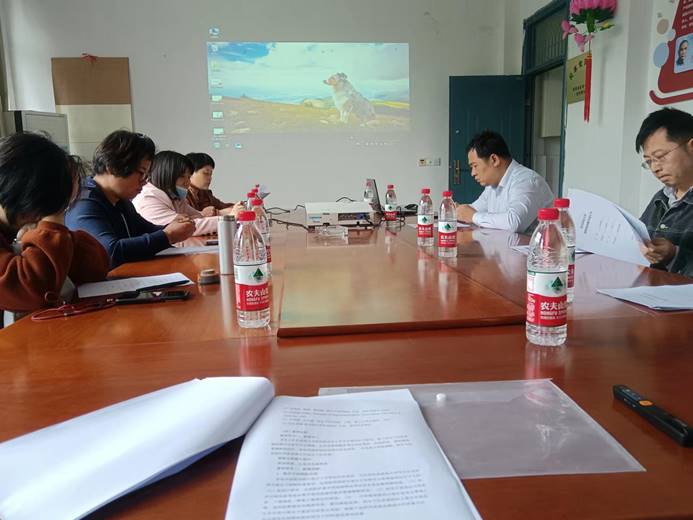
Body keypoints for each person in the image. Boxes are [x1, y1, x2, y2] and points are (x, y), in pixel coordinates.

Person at [0, 132, 110, 315]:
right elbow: (35, 291)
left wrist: (56, 229)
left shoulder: (20, 226)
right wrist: (52, 221)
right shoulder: (34, 221)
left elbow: (95, 269)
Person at [66, 130, 195, 267]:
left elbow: (146, 229)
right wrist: (168, 235)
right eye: (141, 173)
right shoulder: (85, 202)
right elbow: (110, 252)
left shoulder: (120, 200)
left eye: (146, 175)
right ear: (112, 166)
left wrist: (175, 228)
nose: (144, 181)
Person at [456, 130, 554, 233]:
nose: (473, 173)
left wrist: (473, 216)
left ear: (494, 160)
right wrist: (456, 211)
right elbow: (474, 209)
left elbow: (514, 222)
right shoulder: (492, 185)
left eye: (475, 166)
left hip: (536, 243)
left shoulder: (527, 180)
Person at [636, 107, 693, 277]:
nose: (655, 168)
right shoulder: (661, 198)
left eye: (660, 157)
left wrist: (674, 254)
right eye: (649, 161)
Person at [133, 151, 220, 235]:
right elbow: (185, 227)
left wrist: (192, 219)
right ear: (166, 174)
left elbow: (199, 216)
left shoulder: (175, 198)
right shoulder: (148, 198)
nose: (187, 182)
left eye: (188, 177)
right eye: (182, 176)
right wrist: (225, 221)